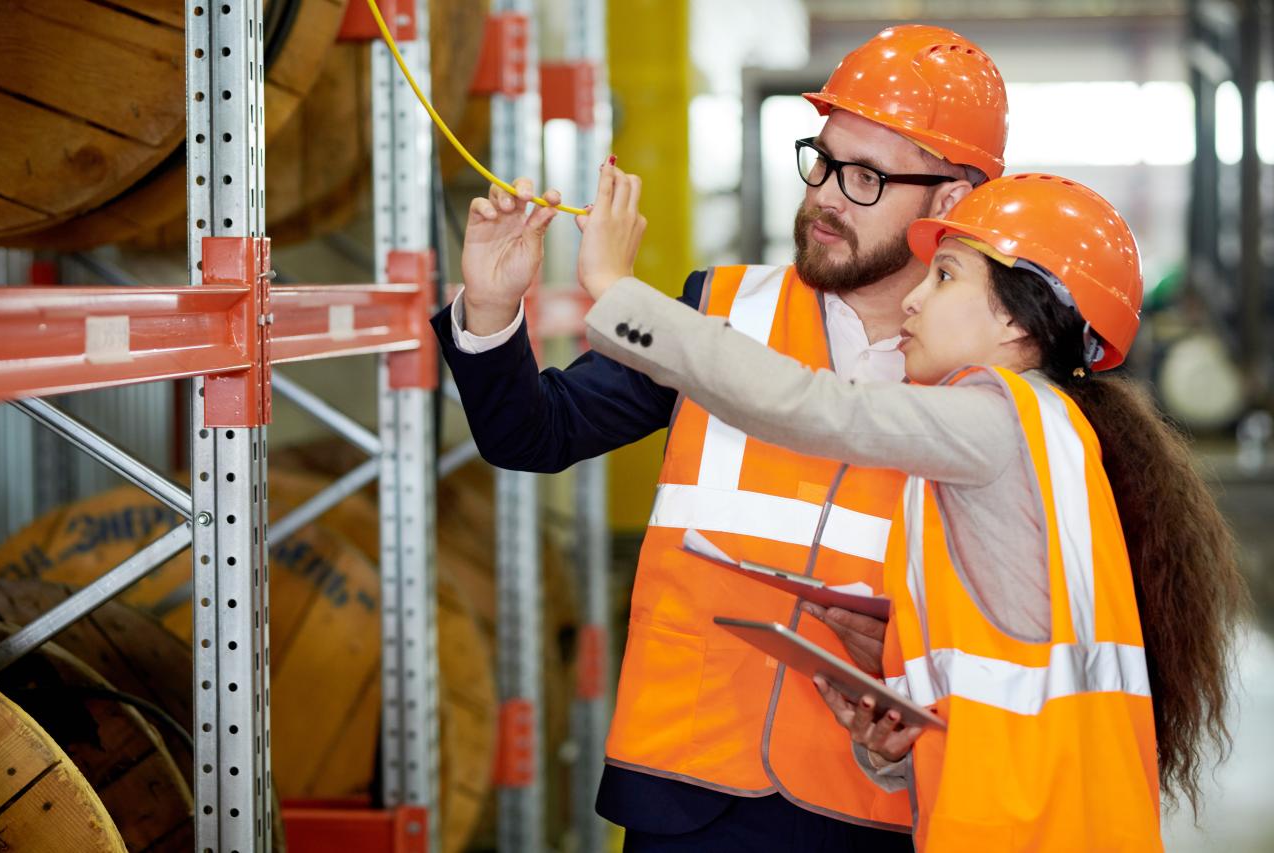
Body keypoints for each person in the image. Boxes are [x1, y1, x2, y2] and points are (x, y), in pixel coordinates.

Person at [437, 24, 1008, 851]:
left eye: (866, 178)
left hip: (880, 802)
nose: (826, 197)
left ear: (951, 203)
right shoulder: (720, 311)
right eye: (822, 159)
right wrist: (491, 310)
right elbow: (532, 433)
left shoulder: (993, 376)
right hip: (687, 791)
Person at [573, 163, 1249, 851]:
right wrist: (896, 728)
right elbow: (1002, 695)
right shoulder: (1040, 437)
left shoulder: (995, 420)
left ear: (1018, 319)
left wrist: (616, 293)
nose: (913, 301)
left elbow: (813, 406)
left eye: (946, 276)